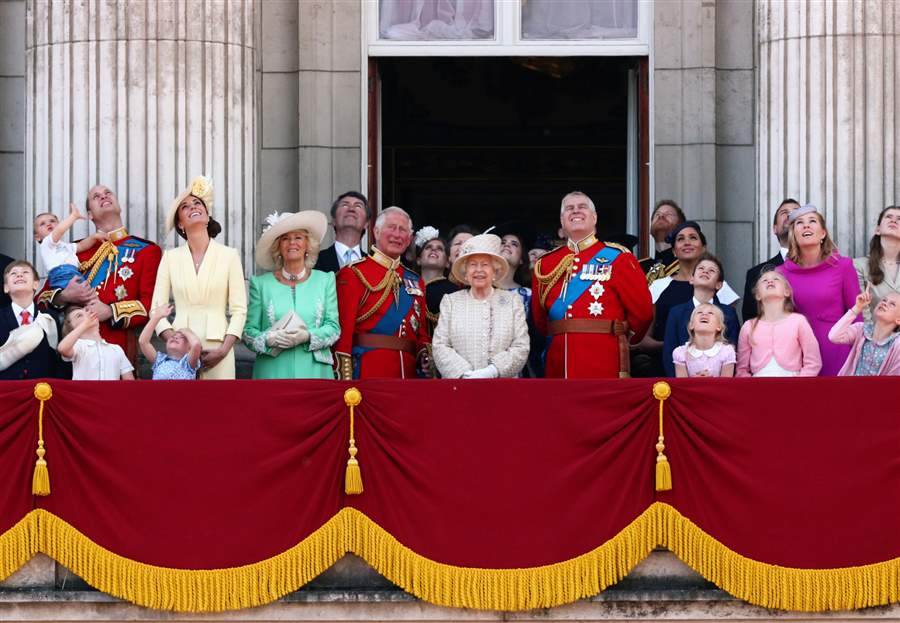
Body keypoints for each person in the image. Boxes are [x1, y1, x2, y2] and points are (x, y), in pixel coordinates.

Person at [531, 191, 653, 378]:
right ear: (562, 222)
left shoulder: (619, 257)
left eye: (582, 207)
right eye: (569, 209)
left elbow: (642, 312)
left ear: (594, 218)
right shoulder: (546, 263)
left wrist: (624, 340)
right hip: (557, 362)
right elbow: (540, 320)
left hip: (604, 358)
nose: (575, 211)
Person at [37, 184, 162, 363]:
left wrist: (111, 311)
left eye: (108, 193)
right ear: (89, 215)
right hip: (73, 352)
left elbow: (151, 305)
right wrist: (64, 296)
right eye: (96, 196)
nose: (103, 196)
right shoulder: (72, 250)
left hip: (117, 350)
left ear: (119, 207)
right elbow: (40, 300)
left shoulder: (147, 250)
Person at [151, 176, 247, 380]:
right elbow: (156, 309)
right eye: (184, 206)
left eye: (197, 202)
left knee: (220, 408)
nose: (192, 206)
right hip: (180, 350)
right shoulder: (170, 257)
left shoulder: (229, 255)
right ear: (180, 223)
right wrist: (176, 344)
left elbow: (239, 310)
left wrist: (223, 350)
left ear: (207, 213)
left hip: (218, 348)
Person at [334, 206, 430, 380]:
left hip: (409, 376)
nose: (397, 234)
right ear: (376, 232)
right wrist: (343, 376)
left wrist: (424, 354)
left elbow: (421, 333)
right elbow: (343, 332)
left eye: (403, 230)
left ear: (409, 239)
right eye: (391, 227)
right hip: (368, 371)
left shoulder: (416, 280)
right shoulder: (353, 273)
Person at [242, 210, 340, 379]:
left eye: (298, 237)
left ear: (308, 245)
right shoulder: (260, 284)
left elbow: (334, 328)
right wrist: (268, 339)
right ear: (278, 247)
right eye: (285, 238)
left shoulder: (325, 280)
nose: (291, 243)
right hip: (272, 373)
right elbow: (249, 332)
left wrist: (307, 336)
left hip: (315, 372)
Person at [637, 221, 739, 376]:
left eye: (693, 237)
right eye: (680, 239)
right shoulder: (672, 306)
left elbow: (733, 348)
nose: (687, 242)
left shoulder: (725, 306)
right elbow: (664, 349)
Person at [433, 233, 529, 379]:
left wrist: (492, 371)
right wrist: (464, 373)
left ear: (495, 271)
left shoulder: (513, 301)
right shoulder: (451, 302)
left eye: (485, 264)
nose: (479, 270)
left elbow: (521, 346)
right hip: (460, 387)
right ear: (466, 273)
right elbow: (440, 345)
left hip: (502, 388)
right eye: (472, 264)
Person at [778, 205, 859, 376]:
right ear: (793, 235)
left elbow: (857, 315)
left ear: (823, 233)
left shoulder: (843, 266)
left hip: (838, 351)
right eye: (799, 223)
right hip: (797, 354)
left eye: (812, 221)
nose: (806, 226)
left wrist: (859, 354)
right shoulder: (780, 273)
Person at [662, 254, 740, 377]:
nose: (705, 271)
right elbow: (669, 352)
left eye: (712, 270)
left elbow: (734, 350)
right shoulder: (676, 312)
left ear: (719, 285)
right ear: (691, 279)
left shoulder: (728, 313)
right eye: (701, 268)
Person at [735, 270, 822, 377]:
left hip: (793, 386)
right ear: (757, 295)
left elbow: (813, 362)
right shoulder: (748, 327)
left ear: (787, 292)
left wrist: (800, 384)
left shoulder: (798, 321)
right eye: (764, 280)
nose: (770, 281)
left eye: (776, 279)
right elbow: (741, 369)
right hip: (758, 387)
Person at [0, 261, 61, 380]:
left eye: (25, 272)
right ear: (6, 288)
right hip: (5, 392)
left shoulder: (50, 318)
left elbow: (58, 358)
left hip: (43, 391)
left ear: (35, 284)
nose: (19, 275)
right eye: (13, 273)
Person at [742, 198, 800, 321]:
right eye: (784, 212)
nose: (790, 215)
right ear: (775, 229)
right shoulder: (755, 274)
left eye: (795, 212)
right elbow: (751, 320)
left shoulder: (823, 265)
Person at [33, 204, 108, 291]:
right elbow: (59, 231)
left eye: (52, 221)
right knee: (82, 295)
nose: (48, 224)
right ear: (37, 237)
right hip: (61, 274)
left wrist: (94, 237)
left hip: (74, 273)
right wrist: (73, 216)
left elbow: (81, 245)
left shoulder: (65, 245)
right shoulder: (46, 243)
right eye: (42, 224)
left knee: (86, 296)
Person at [828, 289, 900, 376]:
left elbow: (894, 381)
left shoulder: (897, 345)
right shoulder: (861, 329)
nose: (884, 303)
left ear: (898, 320)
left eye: (892, 304)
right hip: (848, 387)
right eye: (884, 300)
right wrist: (857, 308)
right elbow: (834, 336)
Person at [58, 305, 134, 380]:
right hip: (84, 392)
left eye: (87, 311)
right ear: (72, 330)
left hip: (110, 392)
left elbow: (129, 381)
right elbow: (62, 348)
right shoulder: (78, 345)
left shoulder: (116, 349)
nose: (88, 313)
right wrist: (85, 325)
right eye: (79, 316)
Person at [853, 205, 900, 321]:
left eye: (899, 219)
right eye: (888, 217)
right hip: (874, 336)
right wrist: (873, 337)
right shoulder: (859, 265)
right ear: (878, 230)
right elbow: (862, 310)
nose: (893, 220)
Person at [413, 226, 458, 337]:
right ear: (418, 260)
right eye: (428, 247)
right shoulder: (406, 287)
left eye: (440, 248)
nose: (434, 249)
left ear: (447, 263)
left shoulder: (454, 292)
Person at [139, 304, 201, 380]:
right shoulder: (159, 360)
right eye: (173, 336)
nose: (175, 337)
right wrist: (156, 317)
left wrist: (186, 331)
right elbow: (143, 342)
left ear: (189, 349)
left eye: (182, 337)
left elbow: (196, 344)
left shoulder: (188, 363)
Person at [672, 304, 736, 377]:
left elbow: (727, 385)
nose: (704, 314)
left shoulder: (727, 351)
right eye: (699, 312)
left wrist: (709, 381)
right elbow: (682, 385)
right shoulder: (680, 353)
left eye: (710, 313)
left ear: (719, 327)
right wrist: (694, 381)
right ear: (691, 325)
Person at [315, 192, 369, 273]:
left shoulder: (374, 265)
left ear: (366, 223)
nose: (351, 209)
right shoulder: (314, 262)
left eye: (358, 206)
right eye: (345, 205)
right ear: (333, 221)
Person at [641, 199, 685, 283]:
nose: (661, 216)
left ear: (681, 227)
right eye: (657, 214)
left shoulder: (688, 267)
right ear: (650, 229)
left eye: (668, 214)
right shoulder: (639, 267)